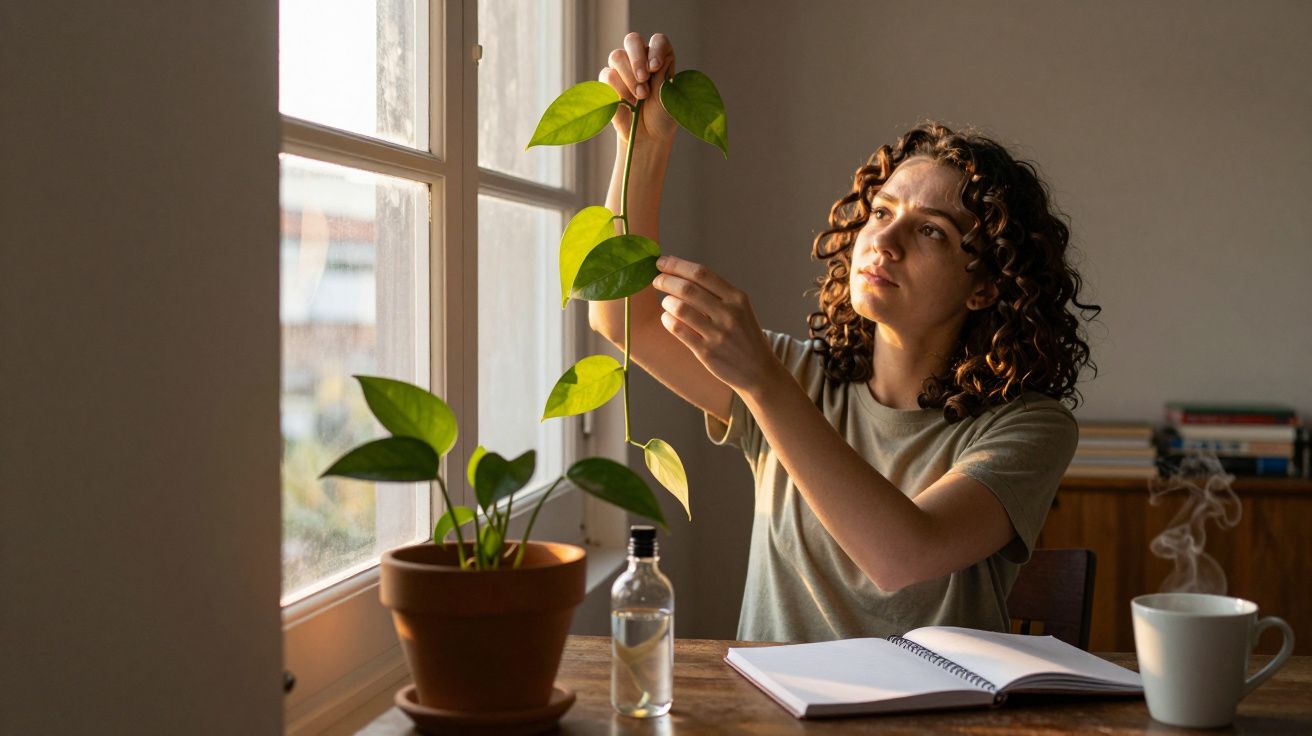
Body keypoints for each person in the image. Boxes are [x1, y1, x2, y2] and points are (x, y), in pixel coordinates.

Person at [589, 33, 1100, 643]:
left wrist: (763, 382)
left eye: (932, 231)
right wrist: (644, 146)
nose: (883, 241)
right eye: (881, 212)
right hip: (766, 698)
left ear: (986, 286)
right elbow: (623, 319)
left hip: (933, 700)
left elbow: (902, 556)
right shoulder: (794, 373)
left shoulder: (1028, 427)